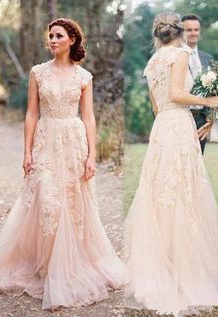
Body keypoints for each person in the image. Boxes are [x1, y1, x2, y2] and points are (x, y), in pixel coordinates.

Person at [0, 18, 127, 310]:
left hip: (73, 143)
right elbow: (31, 115)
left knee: (71, 203)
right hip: (46, 141)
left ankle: (70, 265)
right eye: (50, 36)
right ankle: (46, 266)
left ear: (72, 39)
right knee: (46, 201)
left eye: (59, 35)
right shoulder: (38, 73)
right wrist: (26, 152)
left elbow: (88, 118)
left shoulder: (84, 76)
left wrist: (92, 155)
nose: (53, 40)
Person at [124, 12, 218, 317]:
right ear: (178, 33)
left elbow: (156, 103)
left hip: (162, 126)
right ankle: (181, 266)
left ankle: (163, 260)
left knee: (161, 192)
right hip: (178, 125)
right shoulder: (179, 54)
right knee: (181, 191)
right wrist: (209, 101)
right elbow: (178, 94)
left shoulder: (152, 62)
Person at [182, 14, 214, 154]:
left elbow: (214, 91)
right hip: (181, 116)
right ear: (181, 32)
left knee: (197, 162)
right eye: (189, 30)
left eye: (196, 29)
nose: (193, 33)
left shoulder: (208, 58)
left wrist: (211, 119)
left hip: (202, 120)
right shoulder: (175, 56)